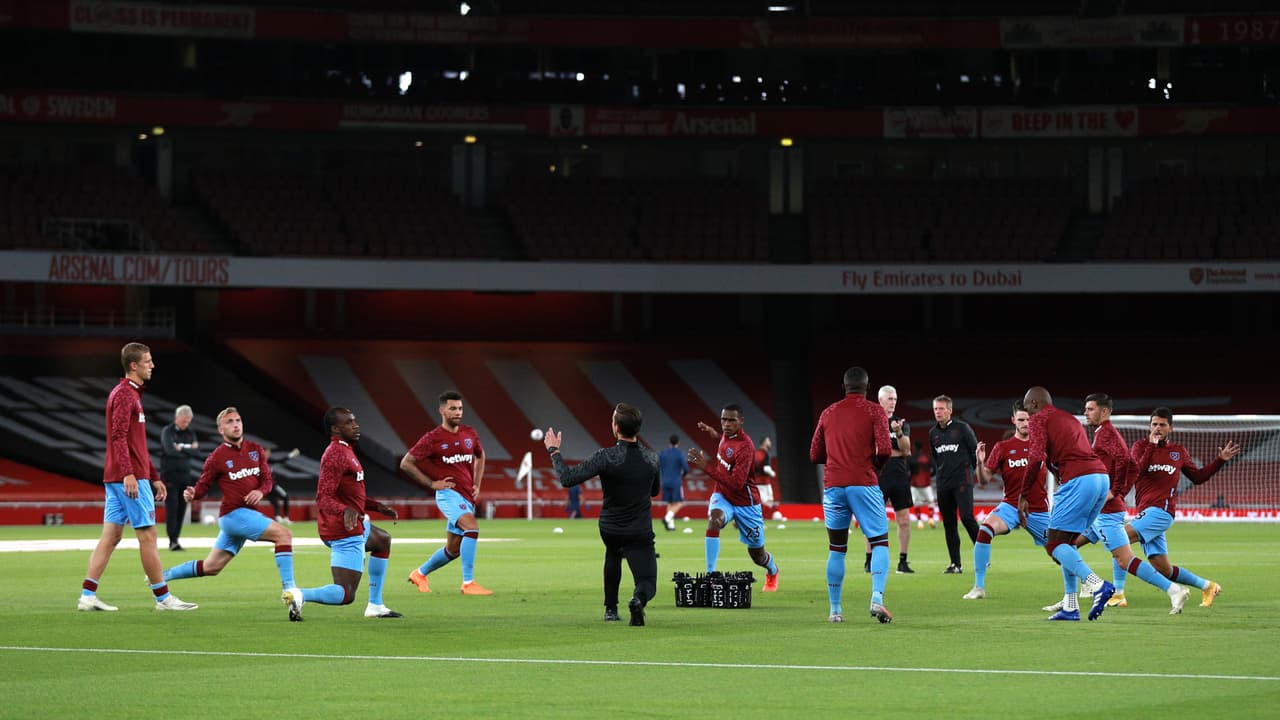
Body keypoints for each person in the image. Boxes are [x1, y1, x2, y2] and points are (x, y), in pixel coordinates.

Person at [77, 342, 197, 612]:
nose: (152, 365)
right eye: (147, 361)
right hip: (127, 479)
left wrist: (154, 475)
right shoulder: (125, 395)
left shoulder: (131, 395)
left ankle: (87, 595)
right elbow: (118, 437)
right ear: (133, 365)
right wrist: (130, 474)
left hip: (122, 477)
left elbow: (136, 444)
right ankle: (163, 598)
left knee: (111, 537)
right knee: (148, 536)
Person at [1070, 394, 1191, 614]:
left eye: (1090, 409)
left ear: (1104, 411)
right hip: (1098, 510)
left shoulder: (1107, 434)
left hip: (1107, 511)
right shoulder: (1100, 435)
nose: (1085, 413)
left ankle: (1172, 590)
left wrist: (1115, 493)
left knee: (1124, 559)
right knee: (1067, 544)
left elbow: (1128, 464)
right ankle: (1077, 593)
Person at [543, 403, 660, 625]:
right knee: (647, 580)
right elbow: (654, 491)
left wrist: (554, 450)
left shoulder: (605, 456)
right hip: (639, 529)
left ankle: (610, 609)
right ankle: (638, 600)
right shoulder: (652, 458)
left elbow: (567, 478)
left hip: (610, 527)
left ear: (616, 427)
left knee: (613, 554)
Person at [282, 407, 402, 621]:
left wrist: (376, 506)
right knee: (345, 594)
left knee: (382, 540)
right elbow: (323, 497)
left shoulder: (346, 450)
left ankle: (375, 605)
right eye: (349, 423)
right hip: (343, 529)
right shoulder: (336, 454)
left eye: (354, 421)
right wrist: (345, 510)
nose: (355, 426)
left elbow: (349, 496)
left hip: (352, 523)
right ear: (335, 428)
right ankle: (300, 595)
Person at [163, 407, 297, 594]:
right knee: (284, 535)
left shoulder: (256, 450)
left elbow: (267, 481)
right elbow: (202, 487)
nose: (235, 425)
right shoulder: (217, 457)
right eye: (229, 422)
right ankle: (291, 593)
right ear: (221, 430)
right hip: (234, 514)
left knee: (211, 567)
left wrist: (260, 491)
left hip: (244, 516)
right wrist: (193, 493)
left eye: (238, 420)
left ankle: (161, 577)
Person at [1126, 407, 1240, 609]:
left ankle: (1117, 593)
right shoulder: (1140, 446)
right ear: (1149, 426)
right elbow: (1137, 471)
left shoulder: (1178, 452)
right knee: (1164, 569)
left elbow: (1198, 477)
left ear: (1171, 428)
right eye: (1154, 424)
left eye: (1162, 425)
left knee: (1120, 539)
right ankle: (1208, 586)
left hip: (1162, 511)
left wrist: (1220, 460)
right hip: (1145, 511)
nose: (1157, 428)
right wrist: (1151, 446)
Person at [1023, 386, 1115, 622]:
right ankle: (1071, 607)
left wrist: (1023, 494)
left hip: (1079, 480)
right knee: (1067, 544)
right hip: (1101, 479)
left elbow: (1035, 458)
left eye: (1026, 408)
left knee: (1053, 545)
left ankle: (1097, 585)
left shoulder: (1038, 419)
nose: (1027, 414)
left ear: (1034, 404)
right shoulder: (1069, 419)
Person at [810, 366, 894, 624]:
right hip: (864, 483)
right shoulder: (874, 411)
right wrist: (873, 467)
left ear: (844, 387)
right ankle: (877, 599)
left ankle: (835, 610)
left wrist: (836, 460)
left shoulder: (828, 413)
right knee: (879, 542)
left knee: (836, 549)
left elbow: (815, 455)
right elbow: (886, 449)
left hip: (833, 486)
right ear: (867, 387)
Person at [401, 390, 492, 595]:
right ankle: (468, 583)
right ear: (442, 410)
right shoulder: (432, 438)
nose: (458, 412)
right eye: (453, 408)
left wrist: (477, 483)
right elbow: (406, 463)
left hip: (467, 495)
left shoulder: (470, 433)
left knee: (453, 550)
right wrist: (432, 483)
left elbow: (480, 455)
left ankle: (419, 573)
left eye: (460, 408)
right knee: (472, 528)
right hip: (449, 495)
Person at [963, 401, 1050, 600]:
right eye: (1021, 420)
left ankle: (1084, 582)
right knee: (985, 530)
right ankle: (979, 587)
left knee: (1058, 550)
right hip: (1010, 506)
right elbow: (984, 480)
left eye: (1029, 419)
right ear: (1013, 421)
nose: (1025, 423)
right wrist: (980, 461)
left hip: (1037, 510)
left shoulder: (1043, 444)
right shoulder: (1003, 447)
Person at [688, 404, 780, 592]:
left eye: (732, 420)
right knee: (714, 520)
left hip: (747, 503)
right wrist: (713, 432)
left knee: (757, 555)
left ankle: (772, 570)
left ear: (741, 421)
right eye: (724, 419)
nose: (726, 424)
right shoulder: (725, 435)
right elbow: (724, 440)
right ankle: (711, 575)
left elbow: (737, 483)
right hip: (723, 495)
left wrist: (706, 466)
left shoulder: (746, 447)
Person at [929, 395, 980, 574]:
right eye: (936, 409)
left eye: (942, 408)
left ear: (950, 410)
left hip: (962, 481)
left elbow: (975, 453)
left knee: (967, 517)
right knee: (949, 524)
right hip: (943, 484)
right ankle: (955, 564)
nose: (938, 412)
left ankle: (983, 554)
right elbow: (937, 458)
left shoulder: (962, 428)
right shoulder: (933, 433)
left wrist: (975, 472)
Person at [869, 385, 914, 574]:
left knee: (903, 518)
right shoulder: (871, 420)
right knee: (873, 516)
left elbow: (907, 450)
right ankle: (869, 559)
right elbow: (869, 448)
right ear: (880, 400)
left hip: (898, 472)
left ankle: (903, 561)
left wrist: (899, 433)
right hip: (878, 471)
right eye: (890, 399)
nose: (893, 402)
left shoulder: (901, 423)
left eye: (895, 399)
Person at [159, 404, 200, 551]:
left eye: (188, 421)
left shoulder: (190, 432)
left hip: (185, 476)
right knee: (172, 508)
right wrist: (188, 448)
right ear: (177, 418)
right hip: (170, 476)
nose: (186, 424)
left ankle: (176, 539)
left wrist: (180, 447)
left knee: (182, 509)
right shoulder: (167, 431)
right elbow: (170, 451)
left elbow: (197, 451)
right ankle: (172, 540)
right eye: (184, 421)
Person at [659, 434, 689, 531]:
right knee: (679, 502)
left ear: (669, 442)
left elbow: (657, 465)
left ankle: (670, 526)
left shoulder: (663, 453)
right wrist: (683, 475)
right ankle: (667, 518)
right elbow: (686, 468)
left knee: (670, 503)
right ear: (678, 442)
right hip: (675, 481)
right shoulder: (679, 453)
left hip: (664, 481)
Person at [909, 441, 937, 529]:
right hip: (926, 483)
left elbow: (908, 472)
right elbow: (934, 470)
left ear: (915, 448)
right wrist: (929, 476)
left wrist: (910, 480)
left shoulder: (911, 458)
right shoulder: (928, 457)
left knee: (916, 503)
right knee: (931, 502)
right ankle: (931, 519)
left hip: (914, 484)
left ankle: (920, 522)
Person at [751, 436, 778, 515]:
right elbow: (766, 469)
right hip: (764, 482)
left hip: (756, 482)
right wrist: (773, 473)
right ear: (765, 442)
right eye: (769, 441)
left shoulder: (755, 453)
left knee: (762, 501)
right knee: (766, 501)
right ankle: (763, 518)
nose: (770, 442)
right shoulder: (765, 453)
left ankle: (766, 517)